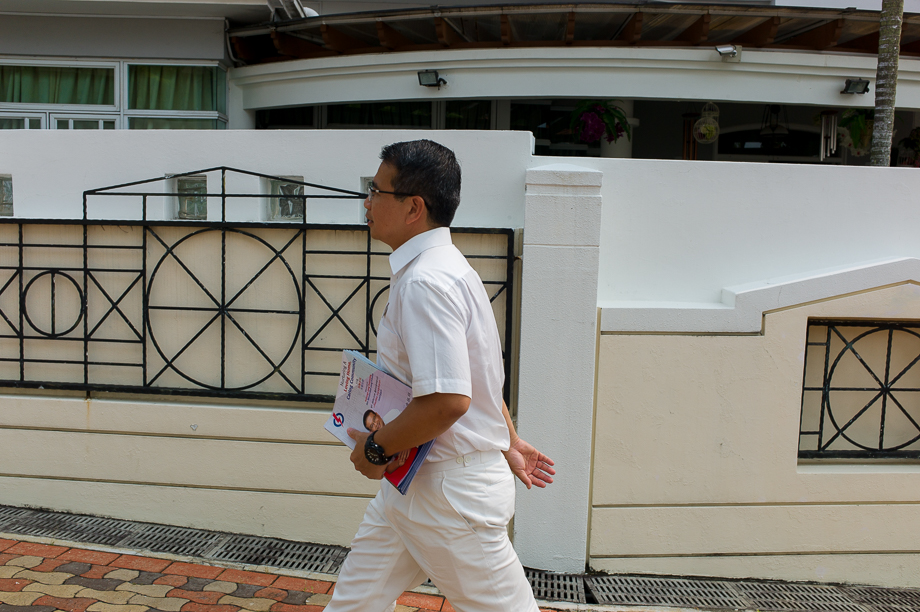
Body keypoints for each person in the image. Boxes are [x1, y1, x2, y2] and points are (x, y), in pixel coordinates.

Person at [326, 140, 555, 612]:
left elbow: (449, 400)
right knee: (354, 604)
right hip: (413, 482)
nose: (366, 203)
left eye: (376, 191)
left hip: (444, 494)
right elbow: (475, 375)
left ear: (413, 207)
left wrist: (374, 448)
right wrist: (507, 438)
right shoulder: (447, 269)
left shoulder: (426, 282)